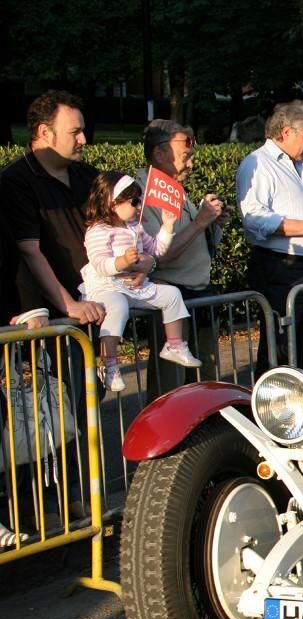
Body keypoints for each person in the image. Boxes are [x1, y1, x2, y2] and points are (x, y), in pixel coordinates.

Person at [235, 99, 303, 378]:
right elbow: (253, 218)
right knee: (278, 349)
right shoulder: (258, 163)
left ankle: (302, 414)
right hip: (282, 267)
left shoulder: (298, 165)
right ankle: (269, 416)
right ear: (287, 132)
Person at [80, 172, 200, 391]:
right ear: (111, 202)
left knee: (172, 294)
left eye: (139, 200)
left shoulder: (135, 226)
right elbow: (100, 264)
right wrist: (123, 261)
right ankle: (109, 363)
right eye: (134, 201)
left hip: (135, 287)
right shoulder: (98, 230)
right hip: (108, 287)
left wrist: (168, 227)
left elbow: (156, 250)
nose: (138, 207)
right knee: (117, 306)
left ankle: (174, 345)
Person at [138, 119, 227, 398]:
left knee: (204, 387)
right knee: (172, 392)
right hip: (173, 303)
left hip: (197, 298)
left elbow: (195, 243)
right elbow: (158, 257)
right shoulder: (144, 194)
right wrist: (200, 222)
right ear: (160, 154)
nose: (190, 165)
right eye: (185, 156)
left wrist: (213, 223)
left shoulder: (174, 189)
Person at [0, 91, 105, 325]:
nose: (84, 140)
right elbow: (29, 251)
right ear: (44, 132)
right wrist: (70, 305)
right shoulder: (15, 180)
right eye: (74, 132)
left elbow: (118, 227)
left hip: (101, 305)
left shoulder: (89, 175)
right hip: (58, 319)